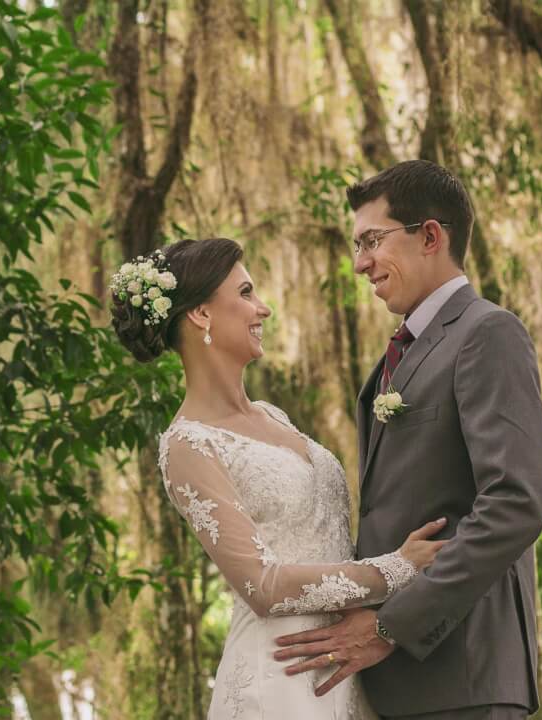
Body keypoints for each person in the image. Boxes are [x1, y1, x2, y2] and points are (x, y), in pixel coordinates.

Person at [110, 238, 447, 719]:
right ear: (201, 315)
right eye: (246, 293)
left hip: (348, 665)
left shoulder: (274, 416)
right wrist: (394, 570)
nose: (262, 308)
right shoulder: (188, 444)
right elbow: (261, 585)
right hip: (278, 679)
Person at [272, 160, 542, 720]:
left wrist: (388, 625)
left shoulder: (486, 333)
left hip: (465, 676)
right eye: (356, 245)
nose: (359, 263)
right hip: (397, 684)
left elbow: (515, 505)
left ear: (430, 236)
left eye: (372, 240)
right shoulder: (390, 363)